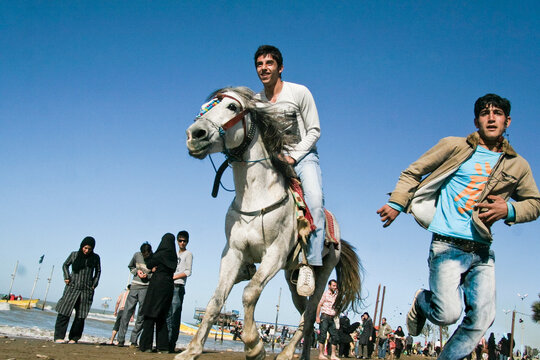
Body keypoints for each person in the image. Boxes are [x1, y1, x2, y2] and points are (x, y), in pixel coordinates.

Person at [377, 94, 540, 359]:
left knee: (483, 318)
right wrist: (397, 203)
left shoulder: (518, 165)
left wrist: (508, 209)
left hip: (483, 251)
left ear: (507, 121)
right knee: (447, 314)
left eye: (497, 113)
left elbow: (535, 203)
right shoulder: (454, 146)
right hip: (447, 245)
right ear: (476, 121)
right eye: (484, 113)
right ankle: (421, 300)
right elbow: (413, 171)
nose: (490, 117)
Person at [254, 45, 324, 295]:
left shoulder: (299, 92)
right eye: (260, 64)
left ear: (280, 67)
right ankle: (244, 260)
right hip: (271, 161)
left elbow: (315, 130)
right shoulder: (256, 101)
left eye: (269, 63)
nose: (264, 68)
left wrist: (293, 157)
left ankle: (310, 264)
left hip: (303, 158)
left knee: (314, 201)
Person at [54, 236, 101, 343]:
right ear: (82, 246)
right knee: (64, 312)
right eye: (85, 248)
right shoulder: (74, 254)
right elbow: (65, 265)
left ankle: (74, 338)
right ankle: (58, 337)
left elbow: (98, 271)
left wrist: (94, 284)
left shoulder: (95, 257)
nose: (87, 251)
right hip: (72, 287)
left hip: (86, 290)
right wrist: (66, 277)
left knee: (81, 315)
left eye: (89, 249)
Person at [138, 233, 177, 353]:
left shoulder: (160, 254)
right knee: (161, 317)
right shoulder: (173, 257)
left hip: (157, 284)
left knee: (150, 314)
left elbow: (149, 264)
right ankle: (163, 347)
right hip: (169, 285)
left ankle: (146, 346)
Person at [116, 242, 153, 347]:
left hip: (145, 288)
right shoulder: (137, 255)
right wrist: (137, 272)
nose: (145, 256)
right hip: (134, 286)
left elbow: (155, 274)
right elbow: (130, 266)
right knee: (126, 312)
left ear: (150, 252)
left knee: (141, 314)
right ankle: (121, 339)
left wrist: (148, 275)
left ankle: (134, 340)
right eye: (143, 254)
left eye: (147, 254)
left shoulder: (153, 258)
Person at [166, 230, 193, 352]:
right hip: (169, 286)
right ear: (177, 241)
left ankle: (171, 344)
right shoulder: (174, 254)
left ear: (187, 241)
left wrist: (174, 277)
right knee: (168, 315)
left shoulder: (188, 254)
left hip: (178, 286)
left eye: (184, 241)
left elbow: (188, 272)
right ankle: (166, 343)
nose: (182, 243)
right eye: (180, 240)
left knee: (175, 315)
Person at [316, 279, 340, 360]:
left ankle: (333, 355)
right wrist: (317, 317)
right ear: (329, 286)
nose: (335, 287)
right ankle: (321, 354)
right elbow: (319, 305)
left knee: (335, 336)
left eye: (335, 286)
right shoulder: (325, 294)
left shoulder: (336, 295)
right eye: (333, 285)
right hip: (325, 316)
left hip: (332, 317)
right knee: (322, 335)